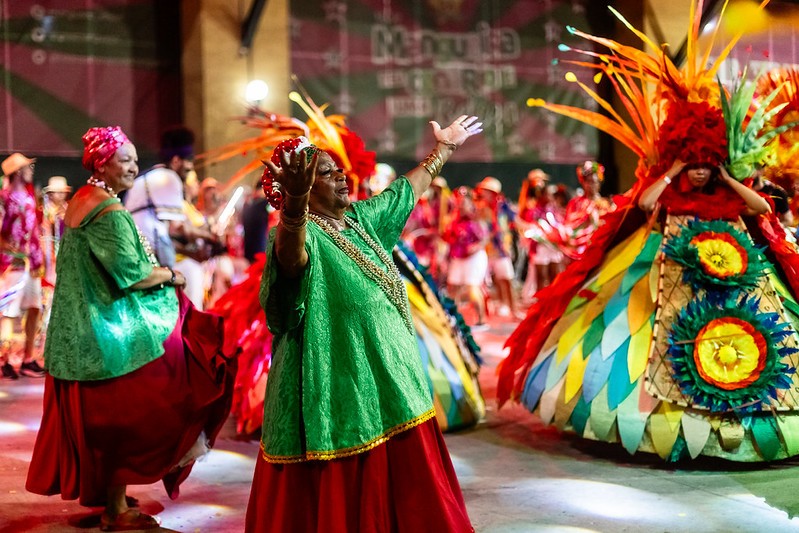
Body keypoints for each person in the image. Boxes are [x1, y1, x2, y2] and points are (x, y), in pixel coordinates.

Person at [246, 115, 482, 532]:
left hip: (393, 389)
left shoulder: (358, 221)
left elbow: (403, 194)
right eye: (325, 172)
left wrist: (443, 149)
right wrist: (295, 210)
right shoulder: (299, 234)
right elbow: (289, 266)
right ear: (299, 187)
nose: (340, 176)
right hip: (339, 396)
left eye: (338, 168)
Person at [26, 127, 235, 530]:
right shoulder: (108, 211)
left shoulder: (81, 201)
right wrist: (173, 274)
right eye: (125, 160)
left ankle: (113, 498)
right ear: (102, 164)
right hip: (107, 336)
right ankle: (117, 509)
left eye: (136, 160)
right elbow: (133, 274)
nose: (133, 167)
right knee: (148, 400)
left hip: (78, 334)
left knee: (108, 420)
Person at [124, 126, 219, 305]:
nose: (190, 168)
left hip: (139, 260)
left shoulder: (150, 176)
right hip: (152, 263)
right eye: (189, 161)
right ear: (176, 161)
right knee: (191, 272)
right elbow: (177, 228)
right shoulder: (168, 177)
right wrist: (209, 235)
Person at [0, 153, 45, 379]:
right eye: (27, 167)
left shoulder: (28, 198)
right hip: (13, 264)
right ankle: (5, 358)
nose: (31, 170)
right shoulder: (4, 198)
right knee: (9, 312)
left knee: (35, 307)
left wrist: (37, 257)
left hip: (32, 263)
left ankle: (28, 358)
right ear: (18, 171)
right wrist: (11, 252)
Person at [444, 188, 489, 329]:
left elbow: (485, 237)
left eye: (464, 201)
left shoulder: (475, 217)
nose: (461, 203)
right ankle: (452, 317)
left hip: (474, 258)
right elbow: (448, 236)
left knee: (472, 287)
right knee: (452, 287)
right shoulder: (453, 218)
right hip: (458, 257)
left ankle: (481, 320)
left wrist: (476, 246)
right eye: (459, 201)